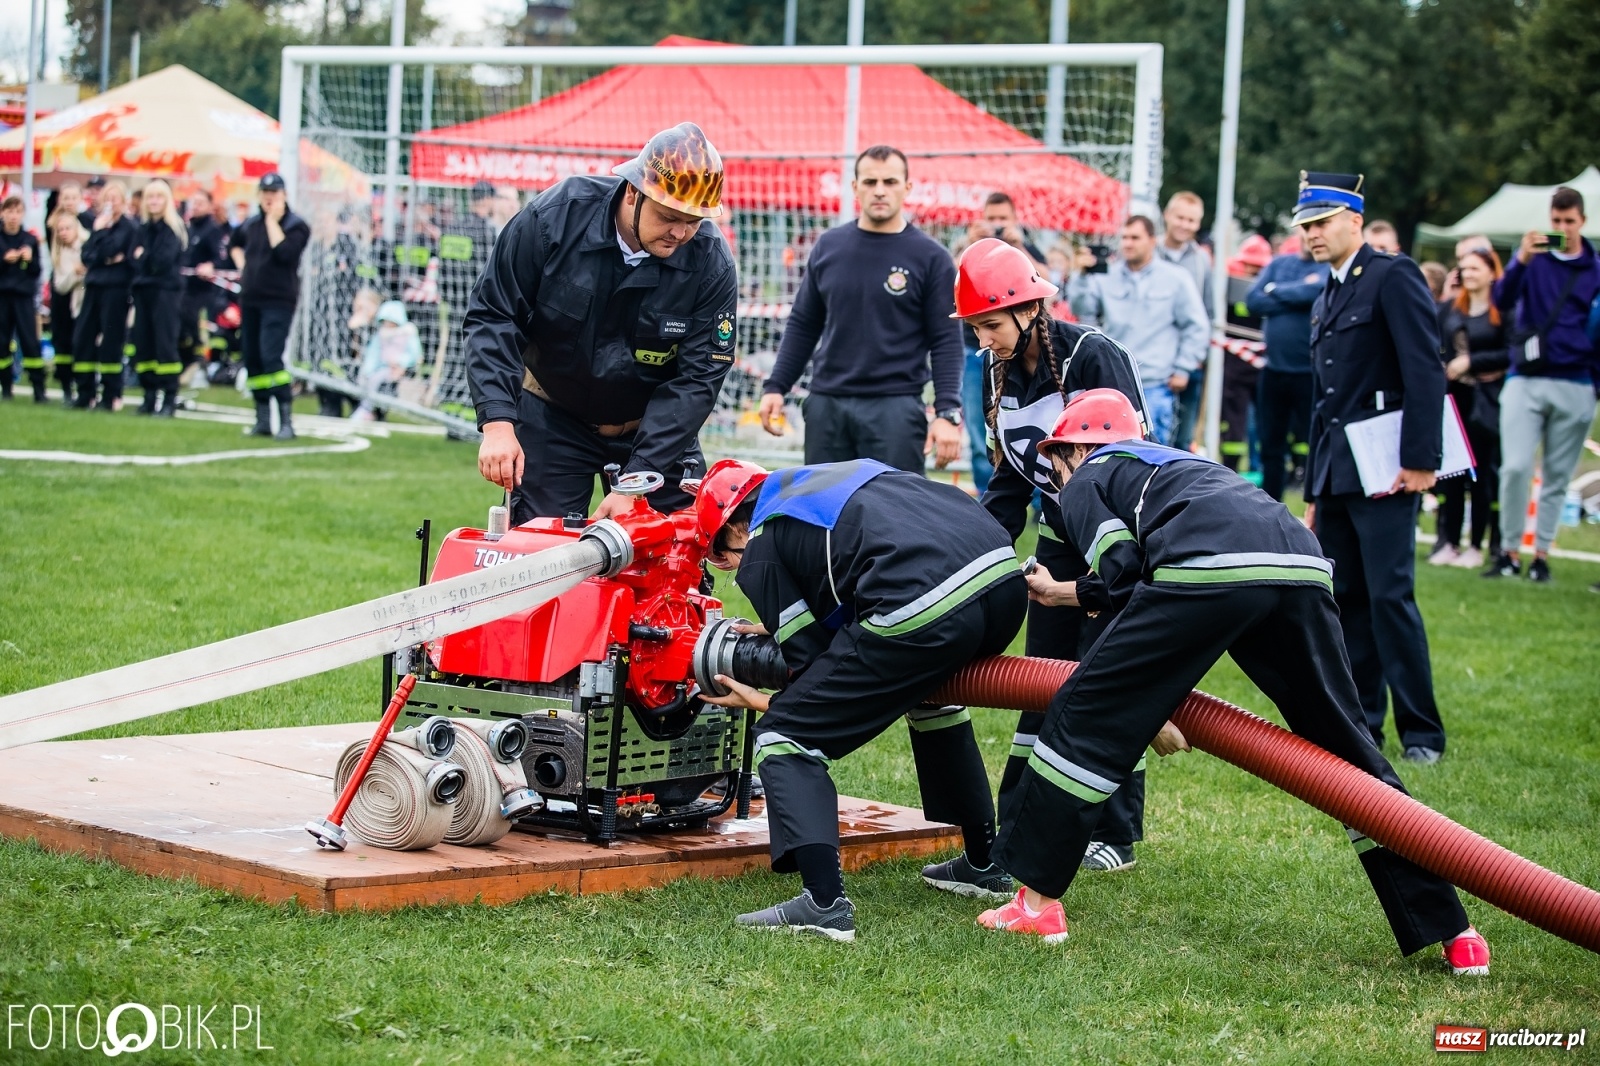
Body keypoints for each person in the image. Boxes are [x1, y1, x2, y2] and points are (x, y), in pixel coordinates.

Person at [978, 389, 1492, 979]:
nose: (1058, 479)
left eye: (1057, 463)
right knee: (1351, 757)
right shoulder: (1187, 466)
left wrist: (1150, 702)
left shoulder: (1091, 475)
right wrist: (1068, 593)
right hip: (1300, 567)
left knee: (1080, 715)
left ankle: (1036, 905)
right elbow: (1144, 576)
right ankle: (1454, 931)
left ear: (1077, 447)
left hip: (1209, 567)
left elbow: (1122, 574)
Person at [695, 458, 1027, 941]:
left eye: (720, 557)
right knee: (931, 698)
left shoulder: (762, 540)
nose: (726, 566)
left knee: (784, 736)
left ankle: (824, 905)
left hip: (923, 603)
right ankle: (984, 864)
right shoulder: (827, 479)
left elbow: (808, 667)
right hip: (1001, 585)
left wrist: (766, 704)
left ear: (734, 530)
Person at [954, 238, 1153, 872]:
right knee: (1040, 684)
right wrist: (973, 552)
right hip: (1059, 537)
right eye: (975, 327)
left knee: (1107, 681)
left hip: (1118, 539)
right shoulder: (995, 370)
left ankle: (1115, 834)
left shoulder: (1094, 355)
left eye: (991, 323)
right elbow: (1011, 482)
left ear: (1031, 308)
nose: (984, 339)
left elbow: (1132, 461)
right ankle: (1016, 829)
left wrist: (1116, 559)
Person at [466, 122, 739, 522]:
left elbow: (698, 379)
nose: (681, 232)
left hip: (654, 432)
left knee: (672, 554)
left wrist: (637, 479)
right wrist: (497, 422)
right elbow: (495, 315)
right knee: (545, 559)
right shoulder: (553, 220)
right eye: (668, 216)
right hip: (553, 416)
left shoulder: (711, 262)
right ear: (633, 192)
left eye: (694, 220)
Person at [1297, 172, 1448, 765]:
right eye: (1306, 225)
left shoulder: (1392, 275)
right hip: (1338, 473)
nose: (1312, 233)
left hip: (1388, 465)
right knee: (1346, 599)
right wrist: (1314, 489)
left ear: (1354, 219)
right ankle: (1364, 725)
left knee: (1391, 597)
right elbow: (1323, 403)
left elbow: (1425, 371)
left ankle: (1422, 733)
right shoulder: (1326, 295)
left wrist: (1420, 460)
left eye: (1322, 221)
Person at [758, 145, 964, 473]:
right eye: (869, 182)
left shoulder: (931, 258)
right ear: (855, 188)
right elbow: (803, 323)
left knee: (894, 516)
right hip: (828, 403)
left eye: (890, 181)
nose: (879, 190)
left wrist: (947, 411)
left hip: (895, 408)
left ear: (907, 188)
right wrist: (776, 386)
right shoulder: (828, 247)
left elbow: (946, 341)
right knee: (822, 514)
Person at [1484, 186, 1600, 584]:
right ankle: (1510, 551)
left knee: (1556, 476)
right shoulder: (1533, 261)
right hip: (1527, 377)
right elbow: (1500, 299)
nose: (1563, 229)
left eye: (1569, 222)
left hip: (1576, 378)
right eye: (1556, 221)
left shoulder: (1595, 268)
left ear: (1582, 221)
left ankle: (1542, 555)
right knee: (1515, 467)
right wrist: (1520, 259)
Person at [1067, 215, 1208, 447]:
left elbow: (1197, 326)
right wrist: (1081, 276)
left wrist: (1183, 368)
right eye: (1124, 238)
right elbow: (1082, 312)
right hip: (1112, 384)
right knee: (1113, 454)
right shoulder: (1105, 275)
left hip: (1156, 385)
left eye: (1135, 238)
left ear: (1152, 241)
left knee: (1155, 457)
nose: (1128, 244)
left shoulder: (1175, 278)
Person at [957, 193, 1051, 492]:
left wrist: (1019, 245)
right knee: (980, 427)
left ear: (1014, 220)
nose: (996, 226)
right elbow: (947, 284)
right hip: (975, 353)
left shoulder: (1027, 248)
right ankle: (988, 495)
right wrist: (967, 244)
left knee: (1039, 426)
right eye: (991, 219)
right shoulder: (966, 249)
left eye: (1003, 220)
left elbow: (1046, 284)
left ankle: (1042, 500)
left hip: (1025, 349)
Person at [1431, 247, 1509, 570]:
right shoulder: (1450, 308)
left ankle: (1477, 544)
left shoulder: (1501, 309)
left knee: (1481, 475)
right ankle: (1449, 540)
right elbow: (1433, 343)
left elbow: (1510, 353)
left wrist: (1471, 362)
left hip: (1486, 400)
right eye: (1464, 268)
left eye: (1476, 268)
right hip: (1455, 398)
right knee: (1452, 473)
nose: (1469, 274)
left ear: (1492, 272)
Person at [229, 172, 312, 440]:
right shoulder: (251, 224)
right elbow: (234, 244)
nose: (269, 197)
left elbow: (285, 254)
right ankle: (262, 418)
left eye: (274, 193)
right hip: (251, 298)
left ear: (284, 195)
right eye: (265, 192)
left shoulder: (296, 225)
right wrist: (243, 266)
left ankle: (286, 420)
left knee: (271, 356)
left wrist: (274, 222)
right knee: (252, 358)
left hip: (278, 301)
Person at [1247, 238, 1329, 500]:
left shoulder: (1327, 267)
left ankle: (1315, 502)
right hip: (1274, 371)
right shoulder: (1279, 264)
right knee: (1271, 443)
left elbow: (1316, 292)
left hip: (1309, 373)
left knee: (1314, 442)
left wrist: (1275, 290)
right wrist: (1296, 294)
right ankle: (1271, 503)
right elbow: (1253, 300)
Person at [1157, 191, 1215, 450]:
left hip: (1188, 360)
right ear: (1167, 215)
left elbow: (1208, 309)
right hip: (1154, 354)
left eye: (1191, 220)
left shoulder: (1202, 260)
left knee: (1183, 436)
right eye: (1180, 217)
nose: (1184, 225)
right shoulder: (1151, 251)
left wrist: (1196, 357)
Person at [75, 180, 138, 411]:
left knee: (111, 342)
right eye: (107, 199)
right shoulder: (97, 224)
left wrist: (102, 241)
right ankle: (84, 393)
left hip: (116, 290)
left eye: (115, 199)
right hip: (93, 287)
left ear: (123, 202)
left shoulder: (129, 227)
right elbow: (88, 256)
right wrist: (100, 236)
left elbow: (112, 250)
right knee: (83, 338)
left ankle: (110, 395)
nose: (111, 203)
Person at [129, 179, 187, 417]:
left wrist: (144, 257)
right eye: (150, 197)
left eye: (158, 197)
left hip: (166, 293)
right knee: (144, 344)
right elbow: (133, 259)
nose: (153, 202)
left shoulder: (172, 229)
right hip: (143, 292)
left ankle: (169, 399)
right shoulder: (141, 229)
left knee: (165, 345)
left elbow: (160, 262)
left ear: (167, 201)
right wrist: (144, 259)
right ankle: (149, 396)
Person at [1218, 235, 1272, 471]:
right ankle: (1230, 467)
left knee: (1266, 420)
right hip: (1234, 364)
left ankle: (1262, 466)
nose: (1253, 271)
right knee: (1233, 419)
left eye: (1259, 267)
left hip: (1263, 364)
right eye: (1250, 264)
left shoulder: (1271, 289)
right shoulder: (1229, 284)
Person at [179, 189, 231, 377]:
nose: (196, 206)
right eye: (194, 202)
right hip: (185, 287)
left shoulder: (212, 229)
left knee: (197, 326)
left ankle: (200, 363)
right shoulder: (187, 227)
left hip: (204, 291)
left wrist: (210, 265)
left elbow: (221, 258)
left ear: (209, 206)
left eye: (201, 202)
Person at [0, 196, 43, 402]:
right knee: (2, 343)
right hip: (2, 297)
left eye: (17, 212)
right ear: (3, 214)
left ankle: (38, 388)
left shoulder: (29, 240)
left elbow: (36, 271)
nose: (13, 216)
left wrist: (30, 259)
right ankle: (6, 387)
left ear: (23, 214)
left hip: (23, 298)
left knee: (30, 342)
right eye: (9, 211)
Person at [351, 299, 420, 422]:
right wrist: (368, 370)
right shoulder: (381, 335)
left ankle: (367, 409)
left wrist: (400, 362)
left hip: (398, 369)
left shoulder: (407, 333)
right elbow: (373, 353)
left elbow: (414, 354)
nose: (387, 324)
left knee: (379, 381)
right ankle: (367, 409)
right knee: (369, 379)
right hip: (381, 367)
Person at [47, 209, 88, 406]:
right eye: (60, 229)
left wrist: (77, 276)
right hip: (63, 305)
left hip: (82, 305)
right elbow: (61, 284)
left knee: (82, 346)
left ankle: (84, 389)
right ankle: (66, 388)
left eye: (67, 228)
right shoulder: (59, 253)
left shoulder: (87, 246)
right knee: (63, 347)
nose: (64, 232)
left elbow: (87, 279)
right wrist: (76, 274)